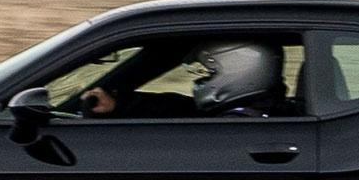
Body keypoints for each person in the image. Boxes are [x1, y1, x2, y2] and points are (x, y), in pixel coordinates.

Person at [82, 40, 293, 118]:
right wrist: (119, 105)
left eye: (209, 72)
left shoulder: (240, 125)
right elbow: (178, 109)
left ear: (241, 70)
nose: (200, 79)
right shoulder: (243, 113)